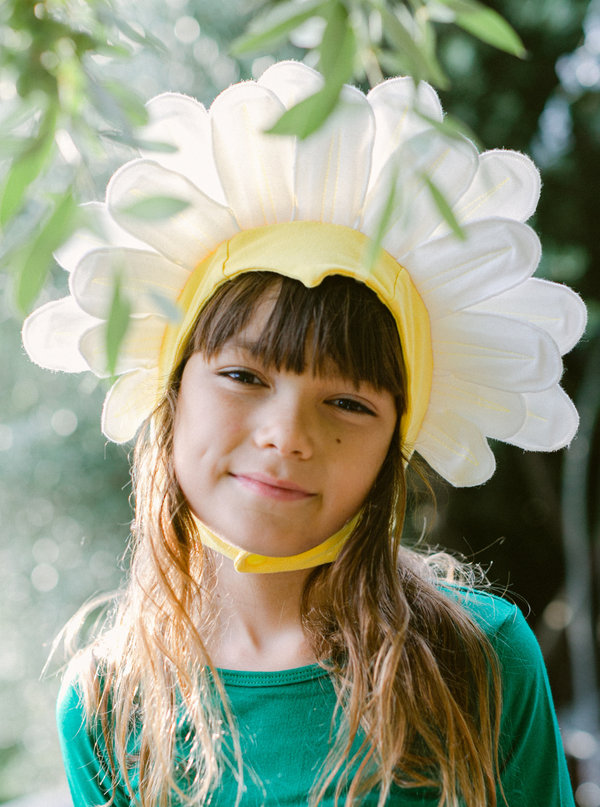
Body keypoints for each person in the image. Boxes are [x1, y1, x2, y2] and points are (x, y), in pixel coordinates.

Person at [23, 61, 585, 806]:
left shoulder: (477, 660)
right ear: (172, 388)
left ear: (396, 442)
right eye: (244, 377)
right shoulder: (109, 703)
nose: (287, 434)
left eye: (349, 402)